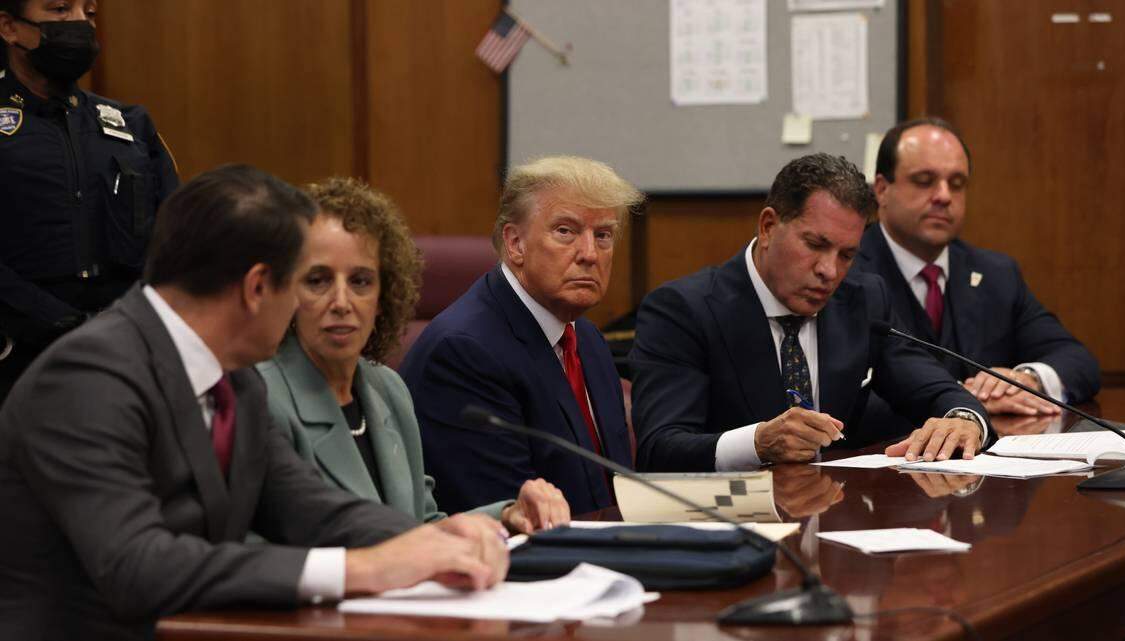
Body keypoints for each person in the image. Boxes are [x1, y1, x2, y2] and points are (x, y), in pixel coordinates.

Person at [0, 165, 508, 641]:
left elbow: (307, 509)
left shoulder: (235, 380)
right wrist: (361, 568)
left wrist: (435, 541)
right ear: (258, 287)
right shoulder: (88, 377)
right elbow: (138, 567)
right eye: (303, 282)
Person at [629, 153, 989, 472]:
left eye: (846, 255)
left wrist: (962, 419)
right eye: (815, 245)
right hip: (731, 515)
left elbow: (934, 388)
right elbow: (659, 449)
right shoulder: (684, 311)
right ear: (768, 227)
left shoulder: (862, 300)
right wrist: (756, 443)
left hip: (832, 509)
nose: (829, 271)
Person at [257, 177, 571, 533]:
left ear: (383, 296)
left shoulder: (388, 388)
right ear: (286, 292)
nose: (341, 302)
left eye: (360, 281)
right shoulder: (261, 399)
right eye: (318, 281)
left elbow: (421, 526)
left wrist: (507, 516)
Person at [400, 155, 644, 515]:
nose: (590, 254)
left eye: (603, 235)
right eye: (566, 231)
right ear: (515, 243)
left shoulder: (587, 339)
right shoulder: (463, 354)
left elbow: (615, 488)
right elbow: (513, 517)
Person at [854, 117, 1099, 416]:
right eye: (924, 181)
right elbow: (840, 397)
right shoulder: (846, 273)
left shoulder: (997, 274)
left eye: (957, 184)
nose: (944, 196)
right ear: (881, 189)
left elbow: (1078, 360)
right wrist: (962, 401)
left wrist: (1025, 380)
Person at [0, 0, 179, 403]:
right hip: (18, 362)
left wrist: (124, 322)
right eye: (61, 10)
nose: (80, 23)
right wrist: (58, 321)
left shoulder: (130, 124)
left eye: (90, 13)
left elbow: (177, 239)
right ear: (9, 27)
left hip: (124, 356)